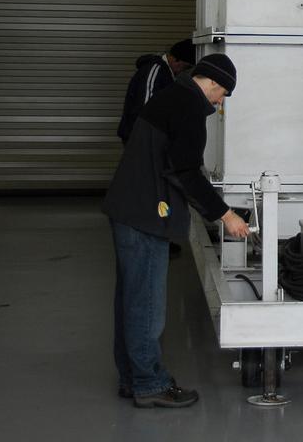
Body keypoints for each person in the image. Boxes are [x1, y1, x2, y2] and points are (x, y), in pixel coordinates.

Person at [102, 53, 250, 408]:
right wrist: (225, 214)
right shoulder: (187, 105)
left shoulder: (172, 95)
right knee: (148, 304)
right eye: (223, 94)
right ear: (212, 83)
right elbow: (184, 172)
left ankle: (132, 378)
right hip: (144, 214)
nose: (221, 102)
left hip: (128, 208)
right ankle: (150, 383)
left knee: (131, 300)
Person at [116, 39, 197, 144]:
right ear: (175, 59)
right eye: (186, 67)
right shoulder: (155, 70)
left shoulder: (166, 74)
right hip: (141, 138)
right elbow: (145, 106)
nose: (183, 71)